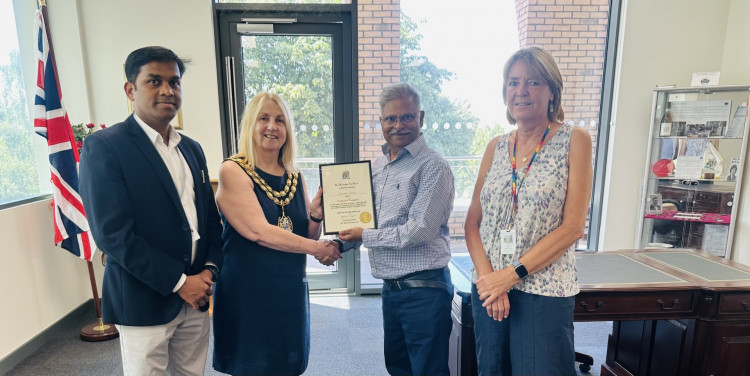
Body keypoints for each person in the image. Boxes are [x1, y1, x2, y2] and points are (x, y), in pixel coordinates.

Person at [79, 46, 223, 376]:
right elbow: (113, 235)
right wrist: (178, 282)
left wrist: (208, 273)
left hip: (196, 296)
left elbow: (210, 222)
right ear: (130, 90)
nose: (167, 90)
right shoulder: (105, 147)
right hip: (144, 299)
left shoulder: (192, 149)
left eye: (174, 82)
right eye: (154, 81)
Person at [464, 46, 593, 376]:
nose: (520, 91)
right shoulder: (495, 146)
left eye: (533, 82)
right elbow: (472, 224)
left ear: (552, 90)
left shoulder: (574, 140)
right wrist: (489, 282)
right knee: (492, 370)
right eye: (513, 82)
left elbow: (573, 227)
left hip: (543, 291)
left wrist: (509, 276)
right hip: (491, 290)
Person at [212, 92, 341, 376]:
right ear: (251, 125)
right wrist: (319, 249)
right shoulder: (233, 170)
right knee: (254, 367)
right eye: (264, 118)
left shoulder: (295, 175)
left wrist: (316, 214)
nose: (272, 126)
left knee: (288, 365)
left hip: (288, 290)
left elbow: (305, 231)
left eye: (280, 120)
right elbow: (259, 232)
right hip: (248, 292)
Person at [336, 83, 455, 376]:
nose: (398, 125)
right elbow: (368, 222)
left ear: (421, 117)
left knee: (427, 370)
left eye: (407, 117)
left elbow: (419, 230)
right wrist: (338, 244)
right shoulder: (378, 167)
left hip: (425, 290)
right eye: (391, 118)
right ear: (381, 122)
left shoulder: (433, 167)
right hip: (391, 290)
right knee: (398, 368)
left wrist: (364, 236)